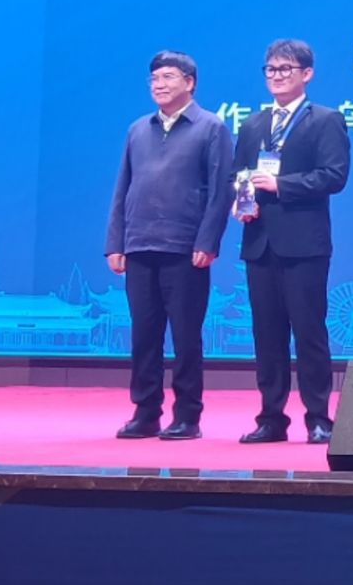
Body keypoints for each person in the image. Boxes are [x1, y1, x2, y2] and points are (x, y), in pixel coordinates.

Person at [105, 50, 233, 440]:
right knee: (144, 335)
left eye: (168, 77)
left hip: (185, 249)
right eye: (154, 78)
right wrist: (115, 242)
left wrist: (208, 240)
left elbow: (221, 191)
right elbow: (123, 187)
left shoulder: (211, 128)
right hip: (140, 244)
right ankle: (145, 412)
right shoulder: (137, 130)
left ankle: (187, 416)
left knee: (185, 336)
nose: (159, 85)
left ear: (190, 83)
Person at [234, 38, 351, 444]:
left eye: (285, 69)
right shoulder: (252, 124)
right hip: (259, 241)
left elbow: (334, 176)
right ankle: (271, 418)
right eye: (271, 69)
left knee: (308, 332)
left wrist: (281, 185)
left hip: (304, 243)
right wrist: (242, 199)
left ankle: (318, 417)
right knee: (266, 335)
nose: (277, 76)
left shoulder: (326, 120)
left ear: (307, 74)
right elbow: (238, 173)